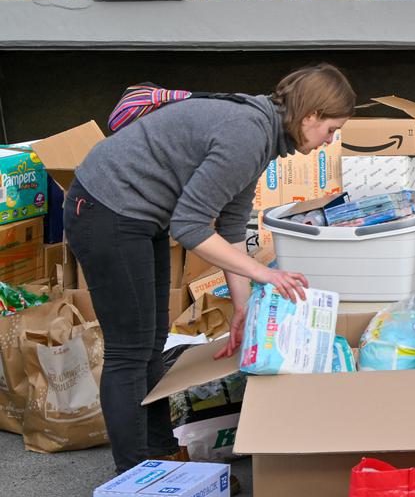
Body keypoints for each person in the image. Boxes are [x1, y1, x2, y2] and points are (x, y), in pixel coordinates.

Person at [66, 64, 355, 474]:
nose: (331, 140)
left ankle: (161, 457)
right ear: (310, 116)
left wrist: (243, 306)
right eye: (331, 129)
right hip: (106, 210)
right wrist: (265, 275)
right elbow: (189, 226)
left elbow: (232, 224)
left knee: (150, 345)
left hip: (138, 216)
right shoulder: (247, 133)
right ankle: (134, 481)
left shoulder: (263, 133)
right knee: (129, 352)